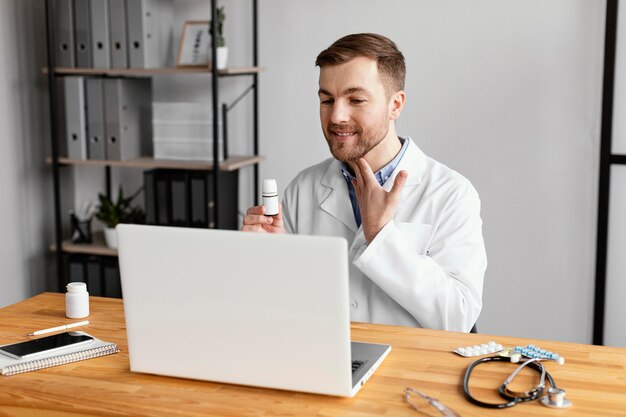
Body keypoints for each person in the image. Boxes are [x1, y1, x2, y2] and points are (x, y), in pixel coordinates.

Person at [242, 33, 487, 332]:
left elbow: (458, 318)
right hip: (322, 363)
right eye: (327, 100)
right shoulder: (303, 189)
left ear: (395, 105)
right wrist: (269, 260)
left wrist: (381, 236)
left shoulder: (451, 194)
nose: (337, 116)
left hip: (410, 369)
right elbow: (278, 311)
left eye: (355, 99)